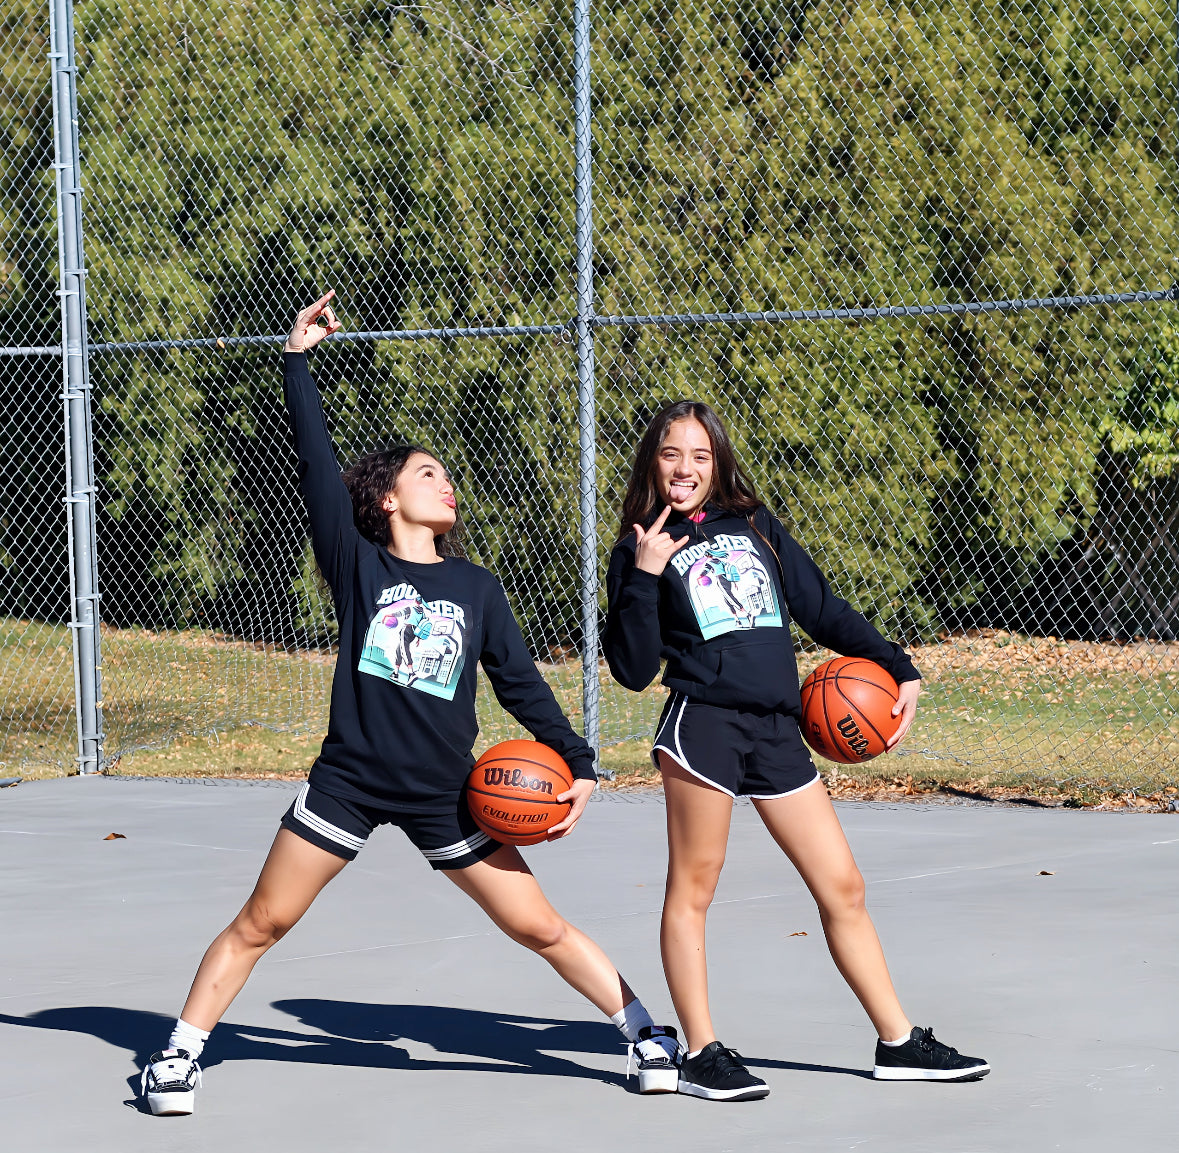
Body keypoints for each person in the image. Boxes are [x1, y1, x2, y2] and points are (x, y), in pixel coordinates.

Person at [139, 292, 679, 1115]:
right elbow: (314, 465)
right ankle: (176, 1056)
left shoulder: (475, 587)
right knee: (262, 921)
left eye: (447, 474)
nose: (446, 483)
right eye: (428, 473)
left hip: (444, 791)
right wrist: (296, 358)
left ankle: (643, 1033)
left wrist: (577, 759)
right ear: (388, 499)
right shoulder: (358, 566)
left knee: (536, 924)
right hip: (348, 781)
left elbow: (520, 683)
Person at [603, 400, 989, 1101]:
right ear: (651, 462)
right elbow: (630, 669)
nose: (685, 467)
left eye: (699, 454)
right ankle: (699, 1050)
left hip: (778, 727)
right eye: (671, 453)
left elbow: (819, 606)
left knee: (842, 885)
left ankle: (897, 1042)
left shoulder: (753, 523)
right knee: (693, 888)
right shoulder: (637, 547)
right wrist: (643, 573)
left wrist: (896, 662)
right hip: (704, 726)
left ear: (715, 461)